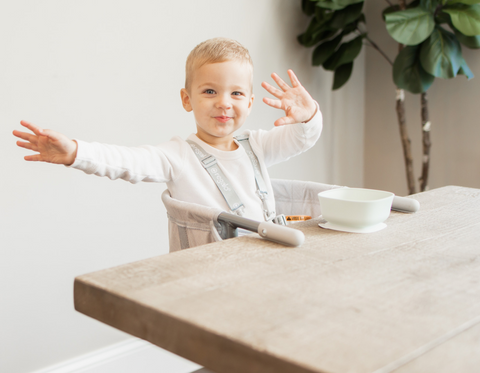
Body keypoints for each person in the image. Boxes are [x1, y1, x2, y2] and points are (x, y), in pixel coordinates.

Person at [13, 37, 322, 225]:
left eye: (236, 94)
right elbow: (126, 162)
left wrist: (309, 117)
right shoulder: (178, 156)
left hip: (262, 264)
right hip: (210, 274)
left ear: (251, 103)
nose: (224, 104)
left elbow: (300, 139)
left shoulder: (258, 144)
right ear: (187, 100)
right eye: (210, 91)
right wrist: (76, 152)